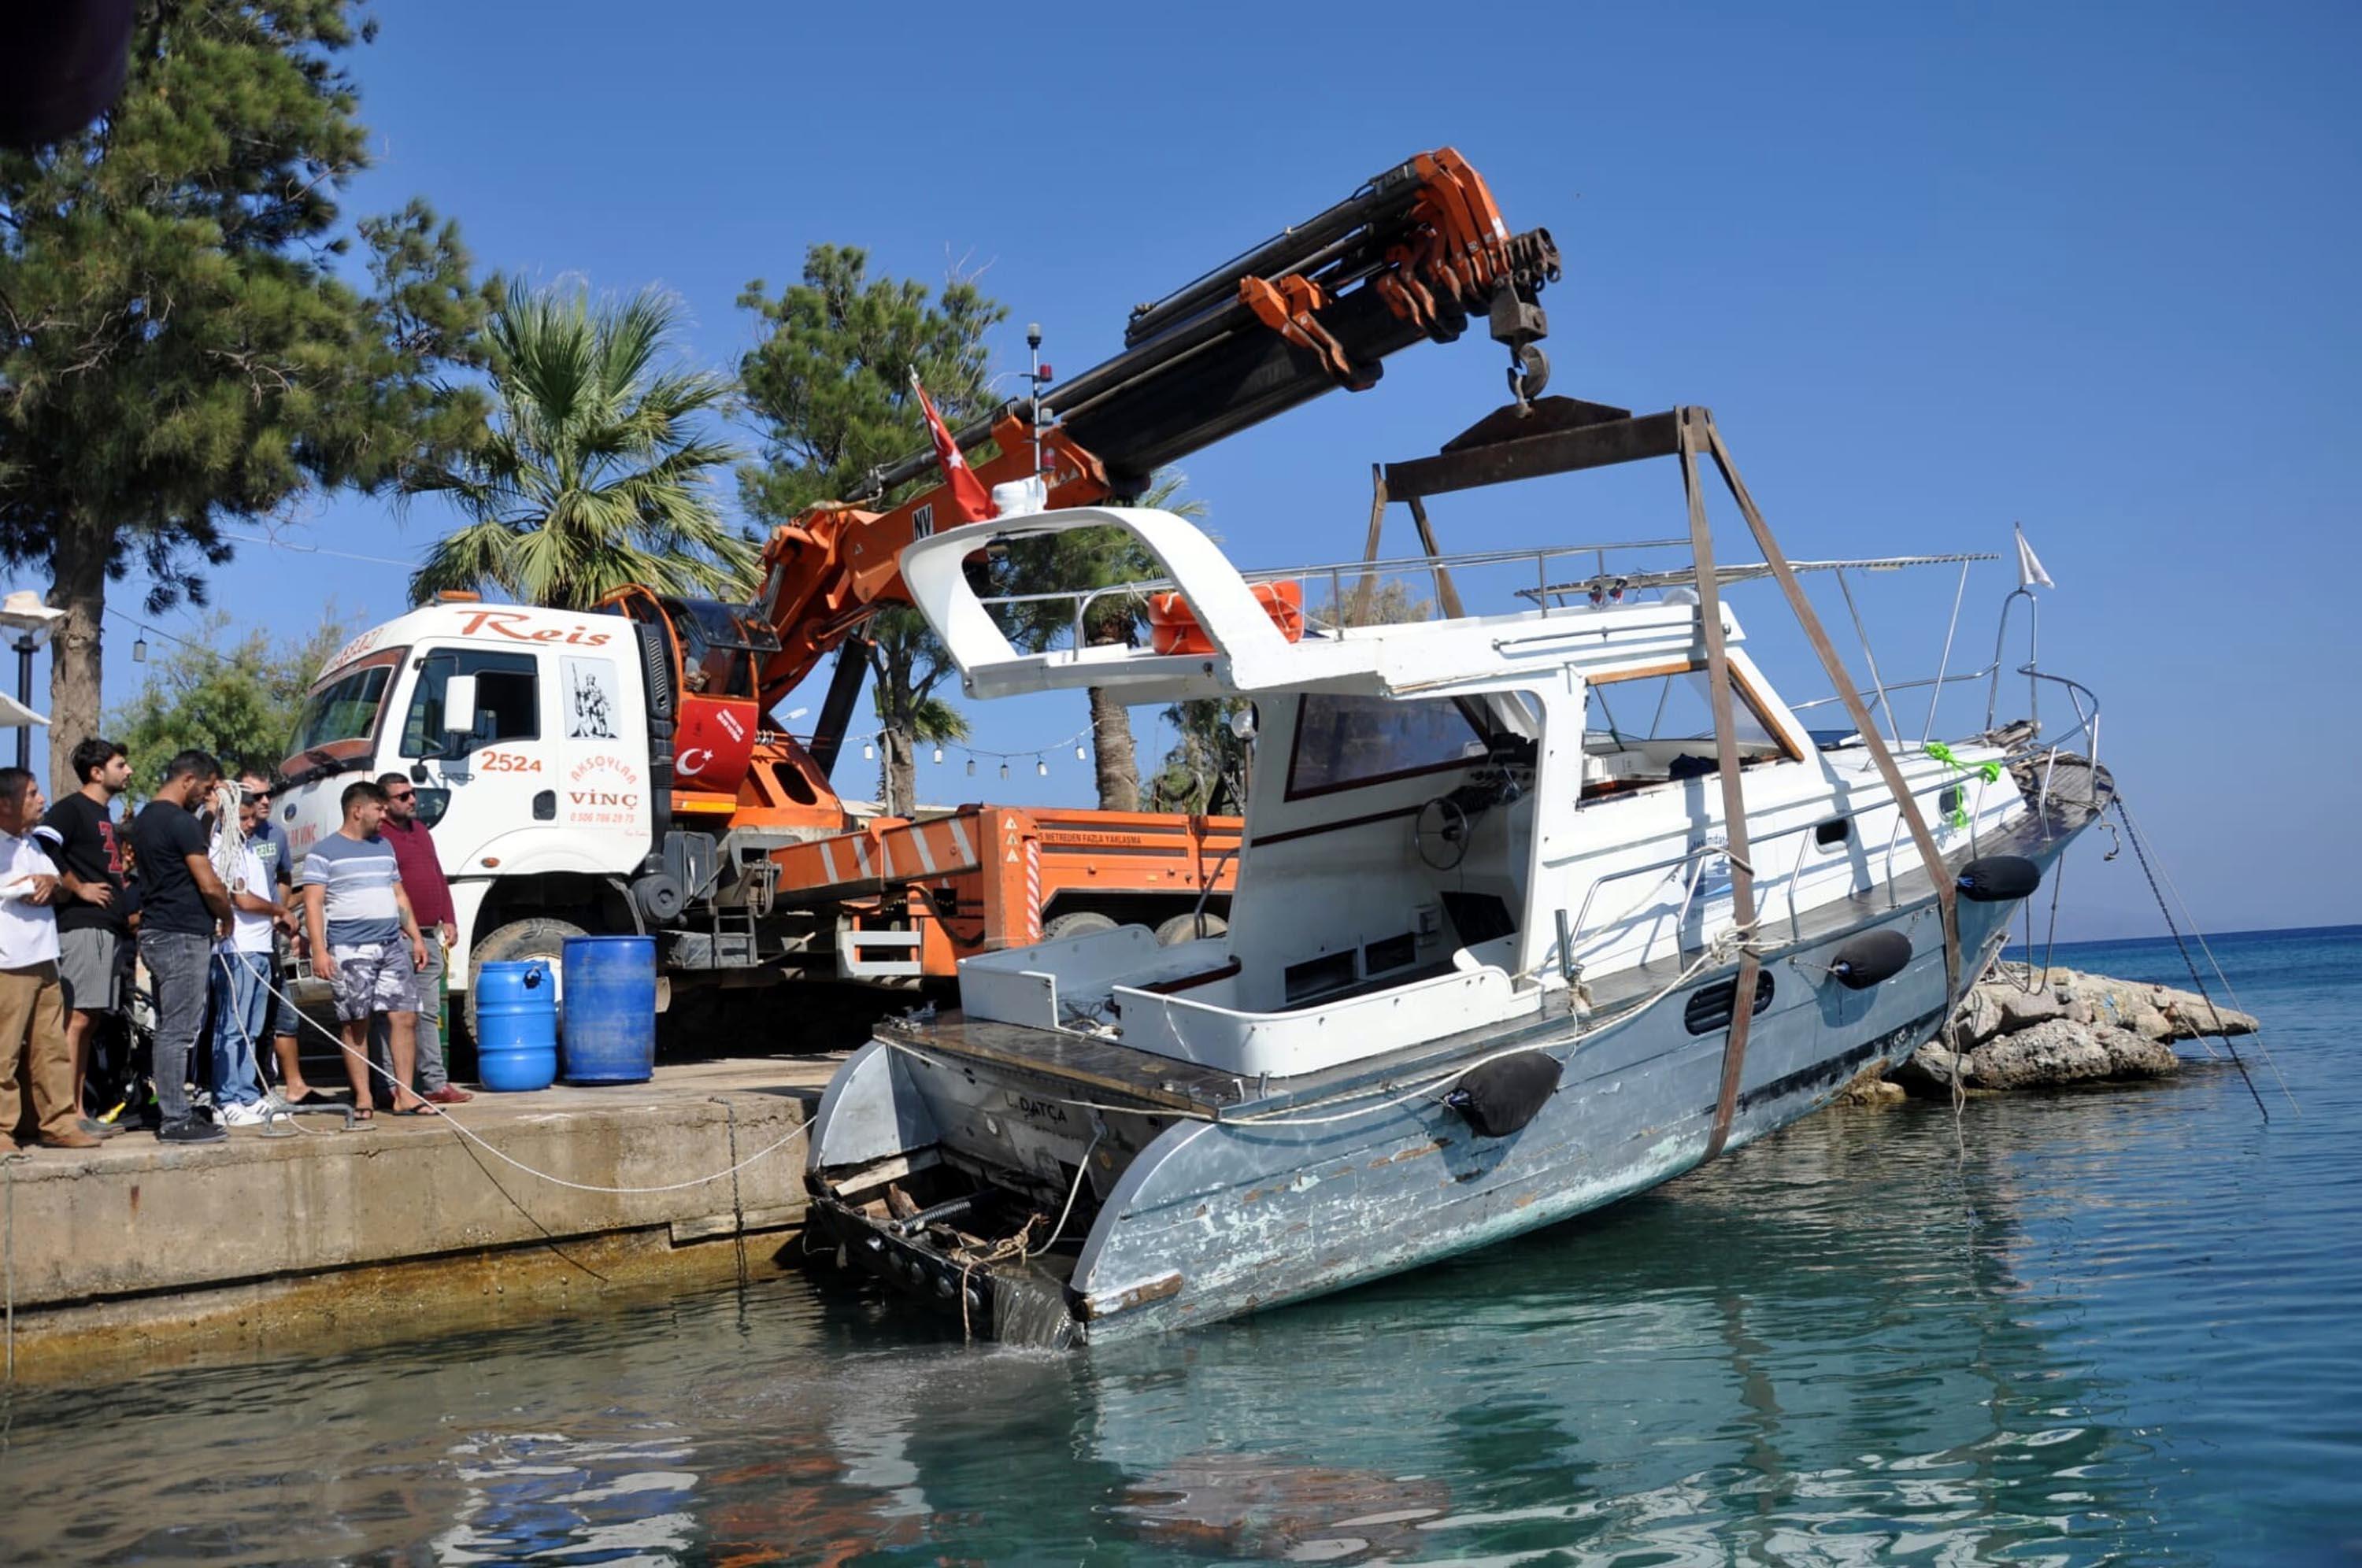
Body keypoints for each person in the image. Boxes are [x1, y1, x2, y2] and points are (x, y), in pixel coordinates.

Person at [298, 780, 429, 1117]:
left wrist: (414, 936)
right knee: (356, 1021)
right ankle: (364, 1098)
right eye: (379, 808)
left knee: (405, 1016)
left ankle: (406, 1095)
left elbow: (398, 894)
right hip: (349, 948)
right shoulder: (324, 852)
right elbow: (313, 904)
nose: (384, 815)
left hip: (391, 944)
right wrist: (319, 950)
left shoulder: (384, 846)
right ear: (358, 810)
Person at [130, 749, 234, 1144]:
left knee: (170, 1027)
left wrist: (209, 813)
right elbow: (207, 881)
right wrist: (226, 913)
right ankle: (175, 1118)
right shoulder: (179, 822)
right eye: (205, 787)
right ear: (188, 779)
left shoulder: (145, 820)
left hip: (158, 931)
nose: (206, 794)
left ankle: (176, 1109)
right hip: (182, 934)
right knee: (179, 1030)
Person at [0, 767, 101, 1152]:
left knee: (51, 1048)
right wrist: (27, 886)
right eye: (32, 794)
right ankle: (2, 1129)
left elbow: (56, 885)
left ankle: (57, 1122)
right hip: (8, 960)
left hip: (44, 956)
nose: (41, 800)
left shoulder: (32, 843)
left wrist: (52, 883)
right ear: (5, 803)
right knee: (5, 1050)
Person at [36, 737, 131, 1138]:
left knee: (89, 1020)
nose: (128, 771)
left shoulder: (104, 815)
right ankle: (64, 1113)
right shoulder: (71, 809)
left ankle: (78, 1108)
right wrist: (78, 888)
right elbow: (41, 844)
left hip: (107, 928)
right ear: (96, 772)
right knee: (75, 1020)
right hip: (81, 926)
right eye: (120, 764)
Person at [372, 772, 472, 1105]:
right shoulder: (379, 838)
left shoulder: (421, 831)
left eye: (412, 794)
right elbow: (383, 887)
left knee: (428, 1013)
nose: (412, 800)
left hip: (430, 936)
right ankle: (390, 1086)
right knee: (392, 1014)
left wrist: (450, 917)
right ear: (384, 805)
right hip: (397, 938)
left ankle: (435, 1083)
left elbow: (437, 874)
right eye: (403, 797)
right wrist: (400, 926)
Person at [205, 786, 281, 1127]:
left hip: (261, 946)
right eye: (244, 818)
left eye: (253, 819)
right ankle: (226, 1096)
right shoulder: (222, 849)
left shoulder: (250, 850)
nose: (250, 825)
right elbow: (241, 899)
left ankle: (247, 1091)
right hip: (237, 948)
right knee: (232, 1026)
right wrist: (280, 910)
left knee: (252, 1027)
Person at [237, 771, 315, 1104]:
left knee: (282, 1013)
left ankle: (293, 1086)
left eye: (268, 795)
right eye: (257, 797)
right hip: (239, 941)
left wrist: (280, 911)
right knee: (244, 1019)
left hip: (269, 938)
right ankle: (243, 1089)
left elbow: (285, 876)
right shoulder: (228, 834)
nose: (266, 802)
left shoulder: (277, 836)